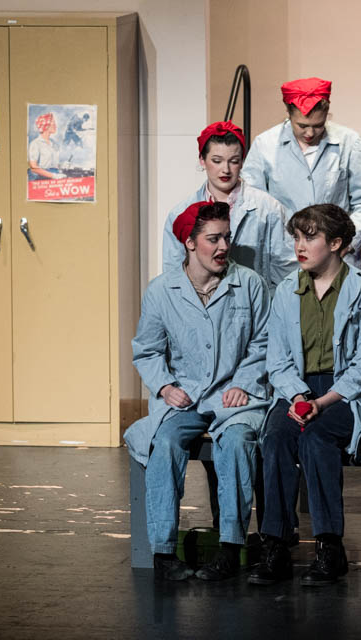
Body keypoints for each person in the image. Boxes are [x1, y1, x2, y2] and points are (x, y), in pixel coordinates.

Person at [125, 201, 271, 581]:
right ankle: (163, 553)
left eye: (227, 237)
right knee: (164, 444)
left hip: (235, 398)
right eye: (213, 239)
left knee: (236, 443)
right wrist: (165, 385)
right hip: (186, 396)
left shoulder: (250, 284)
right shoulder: (162, 291)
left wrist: (243, 382)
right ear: (190, 243)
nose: (223, 246)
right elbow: (147, 350)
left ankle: (230, 548)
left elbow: (263, 343)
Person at [249, 204, 361, 587]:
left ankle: (329, 545)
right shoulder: (286, 291)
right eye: (296, 237)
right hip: (297, 388)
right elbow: (277, 360)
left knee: (316, 438)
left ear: (337, 243)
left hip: (345, 393)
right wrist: (298, 396)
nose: (300, 246)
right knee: (276, 438)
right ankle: (276, 542)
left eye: (310, 237)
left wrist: (321, 403)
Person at [241, 77, 361, 270]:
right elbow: (253, 203)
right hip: (286, 260)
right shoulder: (265, 145)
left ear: (327, 114)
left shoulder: (350, 142)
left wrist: (348, 241)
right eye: (302, 125)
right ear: (288, 114)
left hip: (337, 258)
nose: (309, 133)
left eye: (318, 125)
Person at [162, 120, 296, 293]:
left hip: (254, 305)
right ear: (202, 160)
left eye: (233, 161)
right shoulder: (180, 214)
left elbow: (285, 272)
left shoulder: (269, 209)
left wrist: (268, 305)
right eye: (217, 161)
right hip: (199, 306)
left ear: (242, 162)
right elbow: (173, 276)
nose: (225, 169)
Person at [28, 112, 65, 180]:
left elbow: (54, 164)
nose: (55, 126)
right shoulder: (35, 144)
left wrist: (62, 165)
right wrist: (53, 176)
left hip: (55, 175)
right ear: (46, 126)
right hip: (41, 178)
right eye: (53, 123)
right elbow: (33, 168)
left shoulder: (54, 144)